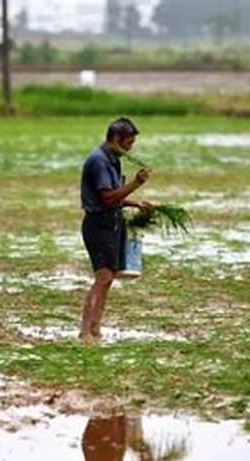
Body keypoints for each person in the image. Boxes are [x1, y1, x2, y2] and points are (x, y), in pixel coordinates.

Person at [79, 117, 152, 344]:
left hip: (111, 223)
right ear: (116, 139)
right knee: (102, 278)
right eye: (128, 143)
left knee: (108, 279)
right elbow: (107, 198)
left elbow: (114, 196)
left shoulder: (113, 159)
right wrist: (136, 183)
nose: (130, 148)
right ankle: (85, 331)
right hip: (99, 225)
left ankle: (96, 329)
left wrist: (135, 203)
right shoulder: (99, 161)